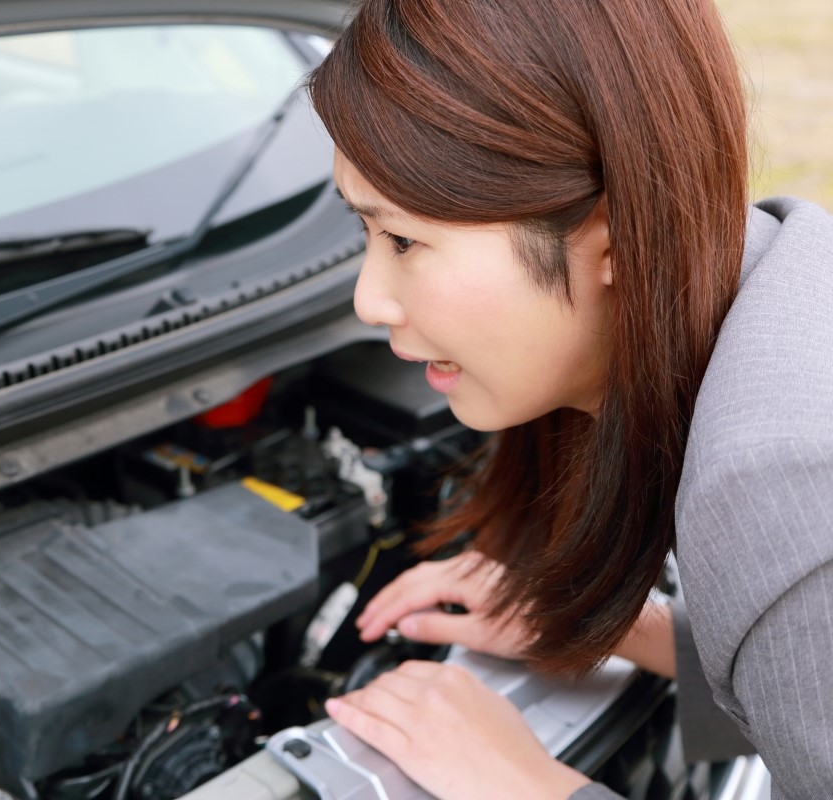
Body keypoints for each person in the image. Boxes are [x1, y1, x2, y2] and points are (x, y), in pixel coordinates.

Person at [306, 0, 833, 798]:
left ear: (612, 239)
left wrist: (520, 784)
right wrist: (626, 631)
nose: (370, 301)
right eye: (366, 233)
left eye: (405, 239)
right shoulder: (790, 285)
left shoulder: (783, 483)